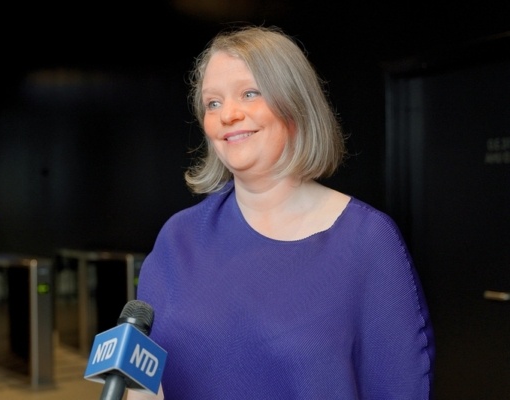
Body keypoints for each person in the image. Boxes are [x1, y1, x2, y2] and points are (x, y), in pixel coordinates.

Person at [127, 24, 435, 399]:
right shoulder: (178, 239)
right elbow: (144, 381)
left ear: (295, 105)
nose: (228, 115)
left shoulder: (368, 241)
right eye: (213, 103)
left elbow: (401, 386)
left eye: (249, 93)